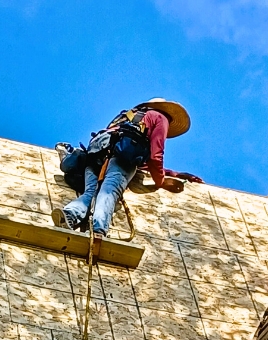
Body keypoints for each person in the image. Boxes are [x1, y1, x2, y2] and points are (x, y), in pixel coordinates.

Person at [55, 99, 193, 237]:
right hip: (121, 160)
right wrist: (161, 181)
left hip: (95, 156)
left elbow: (141, 160)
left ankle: (69, 215)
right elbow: (155, 156)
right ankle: (99, 231)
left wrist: (173, 173)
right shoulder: (161, 118)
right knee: (109, 192)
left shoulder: (131, 116)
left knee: (90, 192)